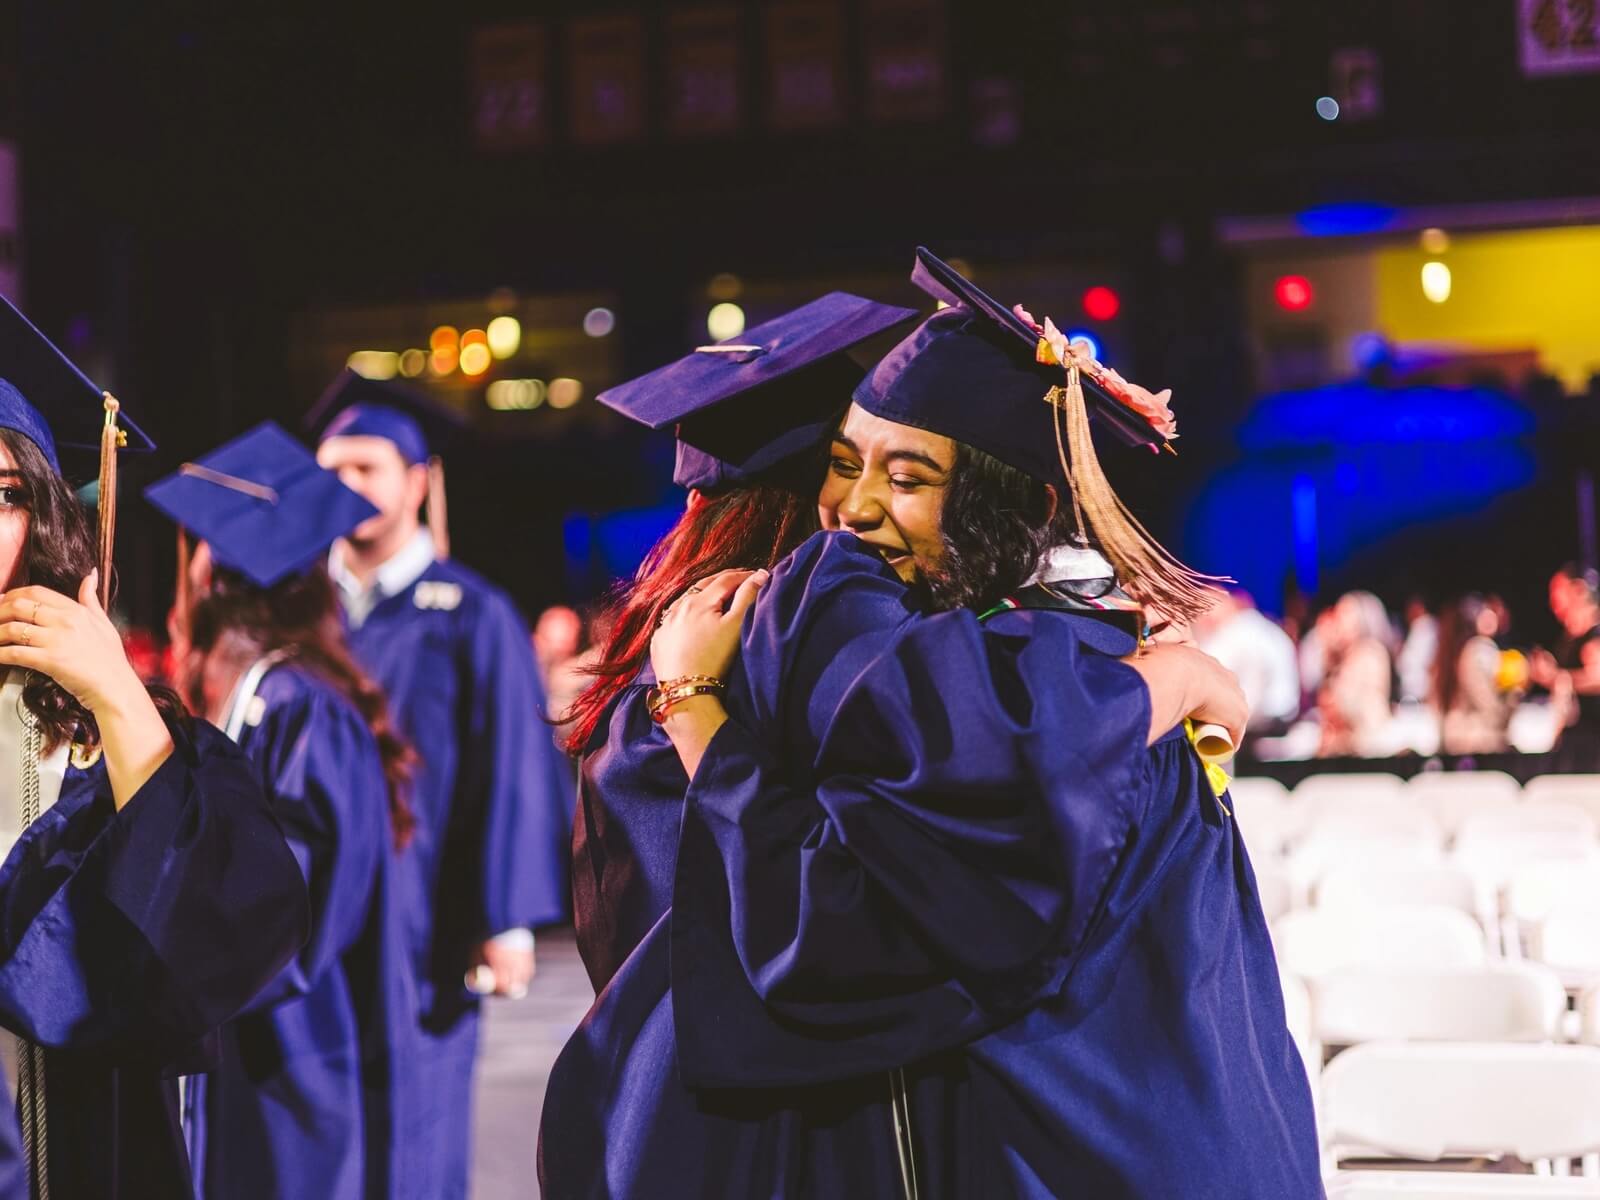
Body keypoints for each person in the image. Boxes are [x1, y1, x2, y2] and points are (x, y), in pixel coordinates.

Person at [544, 265, 1316, 1197]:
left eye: (905, 475)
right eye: (840, 465)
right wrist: (1166, 679)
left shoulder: (1006, 683)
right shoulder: (1018, 687)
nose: (852, 517)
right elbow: (835, 933)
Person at [0, 297, 310, 1196]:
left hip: (79, 1155)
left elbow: (232, 940)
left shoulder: (107, 736)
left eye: (2, 492)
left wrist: (115, 694)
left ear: (47, 517)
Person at [309, 370, 569, 1197]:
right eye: (331, 469)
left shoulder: (469, 612)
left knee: (416, 1127)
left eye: (367, 468)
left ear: (418, 481)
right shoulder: (298, 612)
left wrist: (505, 918)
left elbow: (513, 768)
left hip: (426, 915)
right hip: (312, 915)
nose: (345, 487)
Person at [146, 422, 418, 1199]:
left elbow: (289, 913)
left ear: (214, 578)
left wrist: (165, 969)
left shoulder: (298, 707)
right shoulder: (262, 698)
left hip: (288, 1051)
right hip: (248, 1038)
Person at [1193, 585, 1300, 738]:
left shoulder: (1240, 631)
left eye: (1206, 609)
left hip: (1261, 727)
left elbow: (1211, 673)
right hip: (1280, 720)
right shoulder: (1263, 627)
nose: (1202, 618)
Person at [1531, 565, 1600, 771]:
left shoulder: (1594, 633)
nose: (1554, 603)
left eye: (1558, 593)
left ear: (1578, 590)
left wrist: (1559, 677)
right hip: (1573, 738)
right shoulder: (1568, 638)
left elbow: (1597, 677)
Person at [1317, 590, 1396, 757]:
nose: (1339, 621)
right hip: (1348, 747)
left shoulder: (1371, 654)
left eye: (1345, 615)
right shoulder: (1344, 657)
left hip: (1369, 745)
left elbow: (1355, 706)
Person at [1433, 593, 1515, 756]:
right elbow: (1489, 708)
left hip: (1453, 739)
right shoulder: (1478, 650)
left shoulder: (1449, 651)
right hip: (1479, 743)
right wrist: (1514, 691)